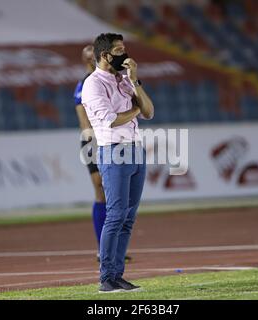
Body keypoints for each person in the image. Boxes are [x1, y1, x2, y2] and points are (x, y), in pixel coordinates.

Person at [81, 33, 154, 293]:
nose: (125, 54)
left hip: (135, 150)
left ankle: (117, 275)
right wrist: (135, 109)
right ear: (105, 55)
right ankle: (106, 278)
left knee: (128, 218)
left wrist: (135, 81)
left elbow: (150, 111)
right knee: (115, 215)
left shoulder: (124, 79)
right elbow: (111, 119)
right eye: (119, 50)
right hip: (113, 151)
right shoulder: (93, 84)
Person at [73, 45, 132, 263]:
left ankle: (115, 246)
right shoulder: (85, 85)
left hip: (113, 139)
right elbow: (84, 122)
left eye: (93, 57)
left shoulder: (110, 80)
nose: (91, 61)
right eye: (87, 58)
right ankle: (103, 248)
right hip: (94, 141)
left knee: (116, 194)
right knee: (101, 190)